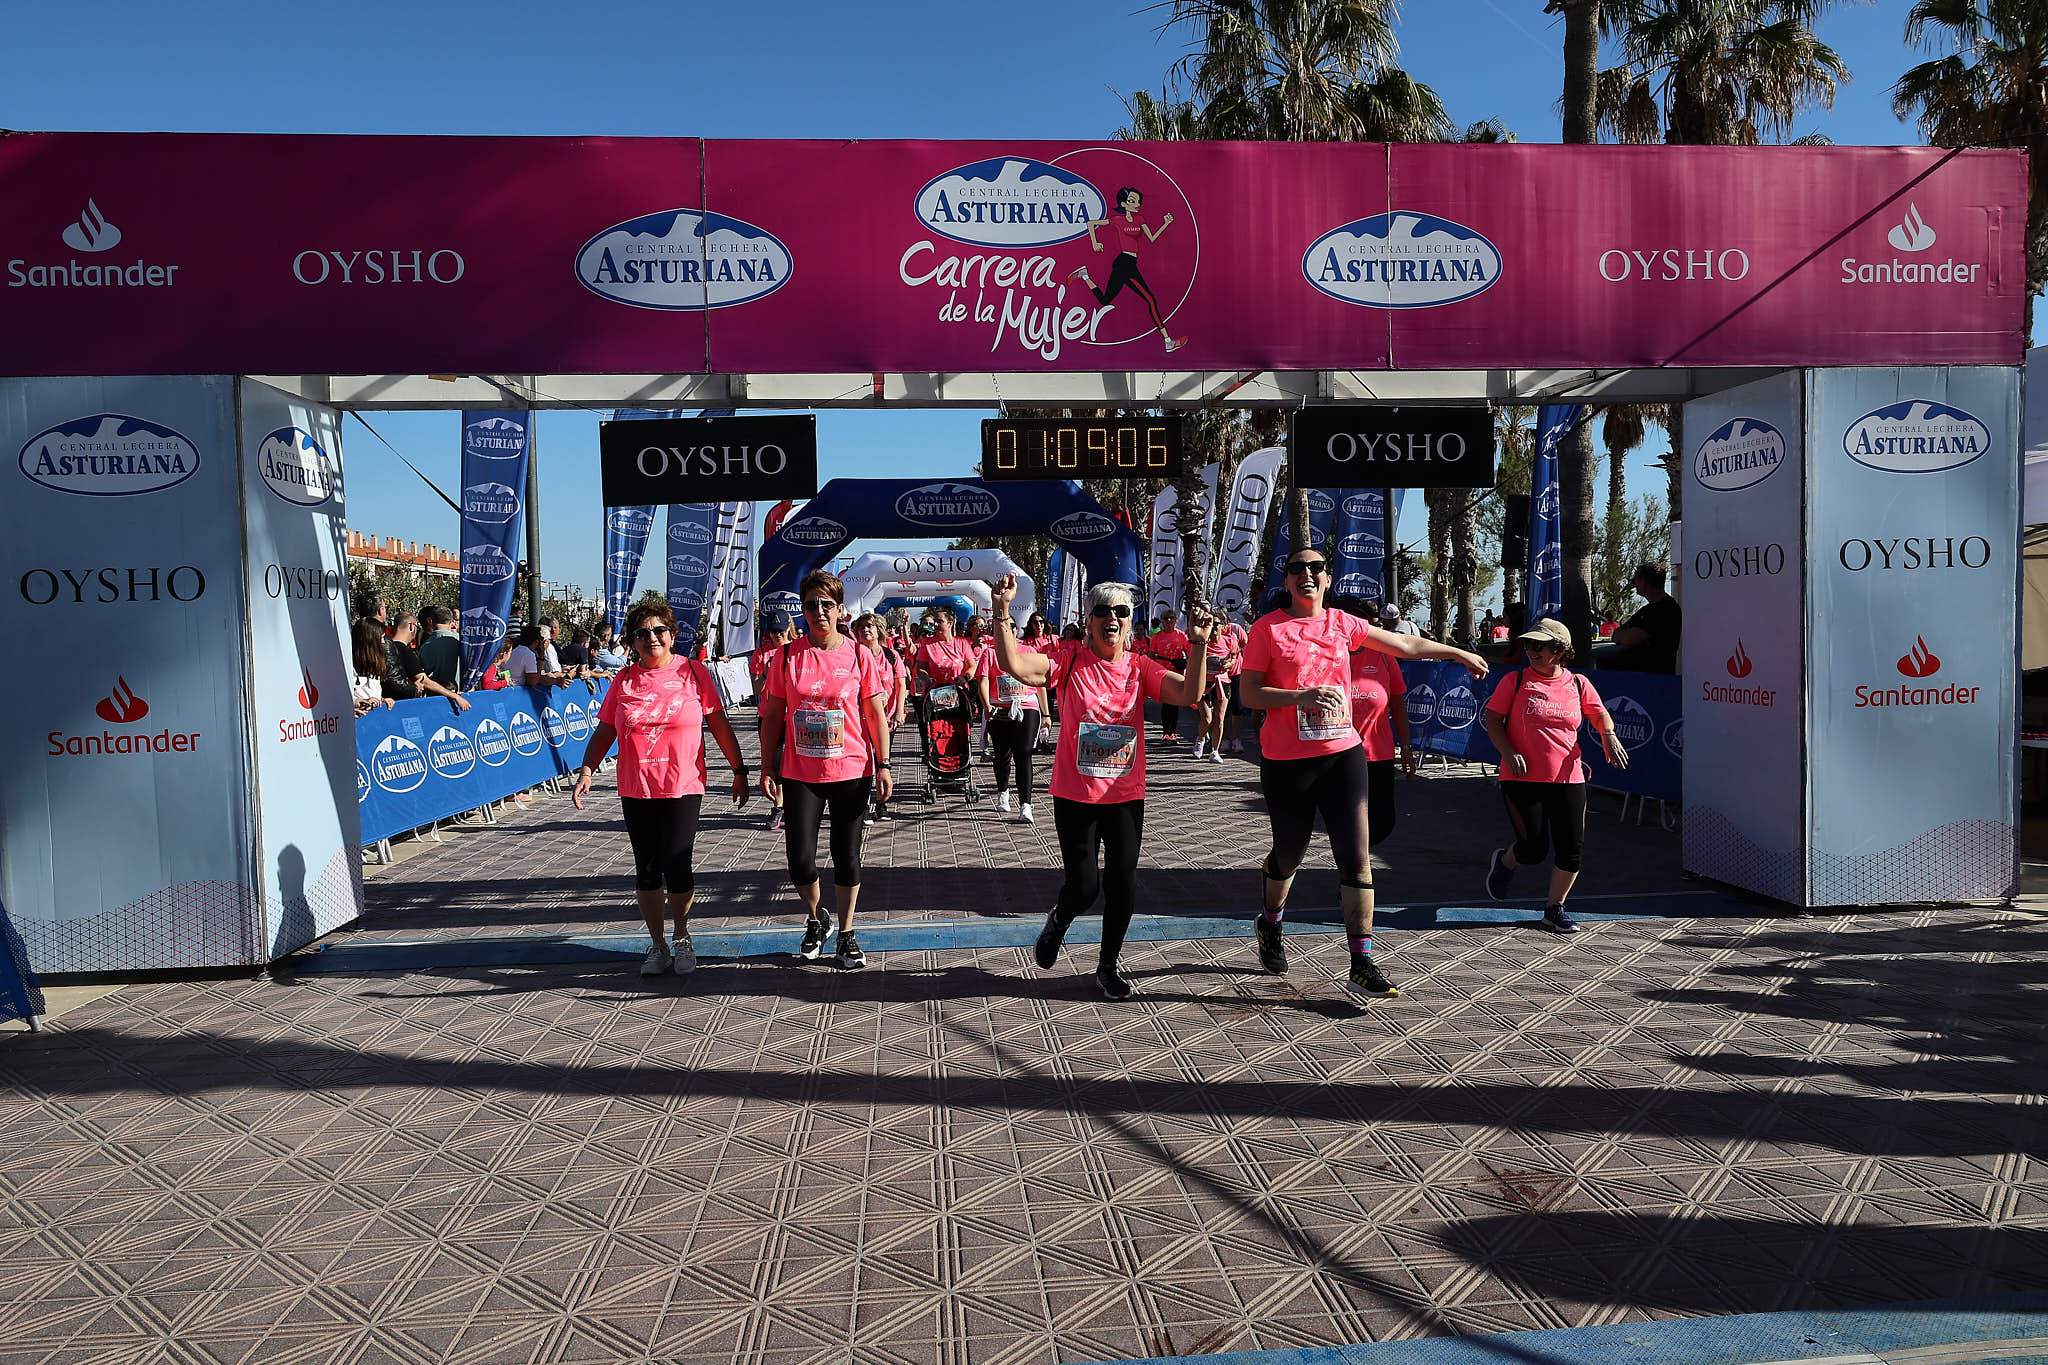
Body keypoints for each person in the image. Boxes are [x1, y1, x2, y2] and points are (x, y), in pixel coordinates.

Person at [1239, 549, 1487, 997]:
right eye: (1297, 568)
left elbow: (1405, 645)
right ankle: (1271, 922)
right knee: (1288, 854)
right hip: (1287, 761)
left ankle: (1361, 959)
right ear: (1288, 579)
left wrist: (1456, 652)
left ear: (1328, 579)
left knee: (1355, 855)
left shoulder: (1342, 624)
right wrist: (1299, 698)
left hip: (1343, 754)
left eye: (1316, 568)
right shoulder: (1267, 628)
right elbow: (1250, 694)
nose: (1307, 575)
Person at [990, 576, 1209, 1000]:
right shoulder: (1069, 659)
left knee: (1122, 884)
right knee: (1085, 886)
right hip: (1075, 794)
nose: (1112, 618)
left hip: (1125, 796)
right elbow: (1014, 665)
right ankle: (1059, 918)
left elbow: (1187, 693)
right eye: (1103, 611)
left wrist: (1198, 645)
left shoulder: (1140, 666)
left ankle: (1107, 965)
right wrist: (1002, 611)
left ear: (1130, 623)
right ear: (1088, 620)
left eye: (1121, 612)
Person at [572, 601, 749, 977]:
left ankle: (683, 936)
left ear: (672, 635)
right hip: (637, 786)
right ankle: (657, 945)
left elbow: (717, 723)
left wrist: (739, 769)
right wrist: (587, 768)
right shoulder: (623, 681)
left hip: (682, 784)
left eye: (659, 631)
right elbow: (606, 730)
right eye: (642, 633)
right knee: (648, 870)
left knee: (679, 865)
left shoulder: (694, 673)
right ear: (632, 641)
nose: (652, 638)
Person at [758, 571, 895, 970]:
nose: (818, 612)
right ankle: (819, 918)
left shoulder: (858, 654)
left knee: (846, 856)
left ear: (839, 610)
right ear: (801, 612)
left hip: (851, 768)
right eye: (810, 605)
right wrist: (767, 765)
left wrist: (883, 765)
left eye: (826, 605)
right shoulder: (786, 656)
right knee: (799, 860)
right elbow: (772, 716)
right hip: (801, 772)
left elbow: (874, 713)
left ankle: (848, 934)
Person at [1480, 617, 1629, 933]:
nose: (1532, 651)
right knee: (1534, 849)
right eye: (1529, 645)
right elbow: (1493, 720)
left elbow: (1598, 713)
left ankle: (1554, 908)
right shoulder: (1516, 681)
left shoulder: (1578, 683)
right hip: (1520, 778)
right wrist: (1508, 751)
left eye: (1540, 646)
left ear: (1560, 650)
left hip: (1568, 777)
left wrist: (1609, 735)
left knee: (1571, 849)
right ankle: (1505, 862)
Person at [1332, 595, 1417, 846]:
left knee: (1383, 823)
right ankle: (1355, 876)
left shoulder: (1381, 655)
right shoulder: (1330, 655)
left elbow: (1398, 704)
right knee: (1349, 823)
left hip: (1378, 755)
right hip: (1339, 757)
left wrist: (1407, 748)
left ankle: (1355, 868)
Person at [1070, 187, 1186, 354]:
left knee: (1104, 300)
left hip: (1130, 263)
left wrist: (1166, 224)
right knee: (1150, 300)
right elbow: (1091, 223)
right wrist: (1094, 242)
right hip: (1124, 264)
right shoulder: (1118, 220)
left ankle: (1084, 275)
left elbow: (1152, 238)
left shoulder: (1140, 219)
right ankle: (1168, 341)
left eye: (1138, 200)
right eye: (1132, 201)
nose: (1137, 204)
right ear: (1124, 204)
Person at [984, 607, 1044, 822]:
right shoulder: (989, 653)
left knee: (1024, 753)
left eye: (1007, 629)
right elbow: (983, 680)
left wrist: (1046, 714)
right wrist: (987, 705)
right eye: (998, 630)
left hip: (1026, 706)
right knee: (1002, 753)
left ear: (1014, 630)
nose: (1003, 633)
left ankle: (1026, 804)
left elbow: (1040, 683)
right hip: (1000, 708)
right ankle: (1003, 792)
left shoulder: (1029, 652)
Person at [852, 613, 908, 824]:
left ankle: (881, 803)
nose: (866, 630)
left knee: (882, 760)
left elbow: (901, 684)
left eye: (870, 626)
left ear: (879, 630)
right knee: (865, 762)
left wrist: (900, 711)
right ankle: (863, 806)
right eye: (862, 627)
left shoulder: (891, 655)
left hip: (886, 718)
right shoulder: (855, 655)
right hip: (860, 719)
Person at [1604, 562, 1681, 673]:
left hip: (1656, 678)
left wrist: (1626, 635)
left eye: (1634, 581)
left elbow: (1631, 638)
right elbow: (1616, 634)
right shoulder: (1646, 610)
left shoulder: (1667, 609)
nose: (1634, 584)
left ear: (1643, 581)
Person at [388, 612, 471, 711]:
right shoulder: (404, 651)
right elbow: (424, 681)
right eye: (417, 627)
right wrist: (455, 696)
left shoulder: (385, 647)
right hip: (403, 707)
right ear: (411, 626)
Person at [1193, 609, 1237, 762]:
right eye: (1210, 624)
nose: (1213, 627)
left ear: (1223, 626)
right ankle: (1200, 739)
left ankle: (1215, 751)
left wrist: (1228, 664)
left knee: (1219, 718)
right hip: (1204, 683)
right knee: (1207, 719)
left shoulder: (1230, 640)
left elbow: (1233, 658)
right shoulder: (1201, 641)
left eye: (1216, 624)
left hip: (1222, 682)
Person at [1149, 609, 1190, 744]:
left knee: (1174, 704)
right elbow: (1151, 655)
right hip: (1162, 674)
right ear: (1161, 621)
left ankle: (1171, 732)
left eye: (1171, 618)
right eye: (1165, 619)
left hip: (1177, 674)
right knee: (1167, 704)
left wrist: (1186, 665)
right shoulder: (1157, 637)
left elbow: (1189, 653)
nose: (1168, 621)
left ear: (1176, 620)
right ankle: (1167, 732)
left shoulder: (1181, 636)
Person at [1220, 606, 1255, 754]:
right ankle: (1224, 738)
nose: (1220, 625)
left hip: (1236, 672)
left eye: (1222, 621)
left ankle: (1236, 739)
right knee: (1222, 709)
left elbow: (1246, 646)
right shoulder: (1213, 630)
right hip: (1220, 674)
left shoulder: (1235, 629)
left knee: (1237, 706)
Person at [414, 604, 464, 692]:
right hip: (460, 694)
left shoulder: (425, 646)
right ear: (451, 621)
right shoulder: (460, 641)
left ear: (431, 621)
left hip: (435, 695)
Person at [351, 619, 395, 715]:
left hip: (373, 720)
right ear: (370, 641)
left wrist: (382, 700)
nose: (383, 642)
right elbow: (343, 697)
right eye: (382, 638)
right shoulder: (349, 666)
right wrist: (359, 702)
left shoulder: (374, 663)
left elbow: (372, 693)